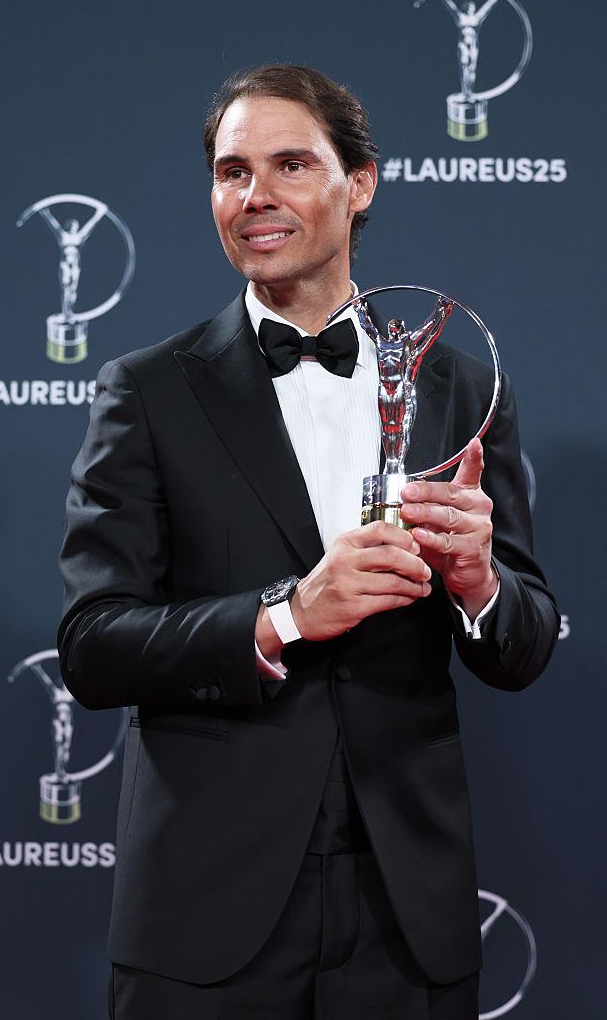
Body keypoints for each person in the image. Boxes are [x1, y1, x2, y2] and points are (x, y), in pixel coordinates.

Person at [58, 64, 559, 1019]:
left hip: (407, 915)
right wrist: (285, 615)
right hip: (208, 914)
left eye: (290, 164)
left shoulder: (457, 387)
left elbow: (524, 645)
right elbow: (93, 644)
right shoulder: (148, 391)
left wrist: (478, 581)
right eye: (231, 171)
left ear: (359, 183)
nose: (255, 195)